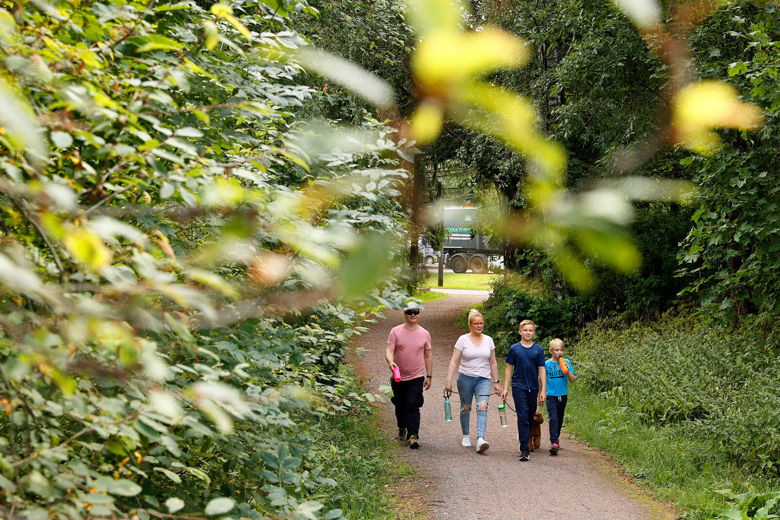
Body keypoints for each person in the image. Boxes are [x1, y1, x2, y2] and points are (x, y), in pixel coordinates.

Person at [444, 309, 502, 454]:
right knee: (466, 407)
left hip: (483, 378)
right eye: (476, 323)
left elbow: (493, 362)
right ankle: (466, 435)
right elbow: (454, 361)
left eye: (481, 323)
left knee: (482, 406)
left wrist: (496, 381)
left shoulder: (488, 340)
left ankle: (481, 439)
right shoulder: (462, 339)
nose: (479, 326)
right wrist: (448, 380)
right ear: (470, 325)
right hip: (465, 378)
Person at [385, 301, 432, 449]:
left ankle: (413, 436)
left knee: (413, 404)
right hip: (398, 376)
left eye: (416, 312)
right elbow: (389, 350)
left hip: (416, 376)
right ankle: (402, 428)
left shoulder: (424, 333)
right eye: (410, 312)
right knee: (399, 405)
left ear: (418, 314)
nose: (413, 315)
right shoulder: (395, 331)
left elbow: (428, 355)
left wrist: (429, 376)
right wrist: (391, 362)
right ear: (404, 314)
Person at [501, 319, 546, 461]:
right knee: (523, 416)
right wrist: (506, 388)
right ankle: (524, 449)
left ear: (534, 332)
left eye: (530, 330)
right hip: (518, 386)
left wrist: (543, 390)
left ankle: (523, 434)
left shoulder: (538, 350)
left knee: (529, 416)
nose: (528, 332)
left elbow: (542, 370)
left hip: (533, 387)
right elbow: (509, 369)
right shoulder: (514, 349)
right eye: (525, 330)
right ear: (520, 332)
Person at [545, 338, 575, 455]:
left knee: (560, 418)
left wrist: (567, 371)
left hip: (563, 395)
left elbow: (572, 380)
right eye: (557, 350)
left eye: (561, 350)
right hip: (550, 395)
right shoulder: (546, 364)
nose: (559, 352)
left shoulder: (566, 361)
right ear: (551, 351)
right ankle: (554, 442)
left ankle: (556, 438)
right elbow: (541, 379)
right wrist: (541, 394)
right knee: (553, 418)